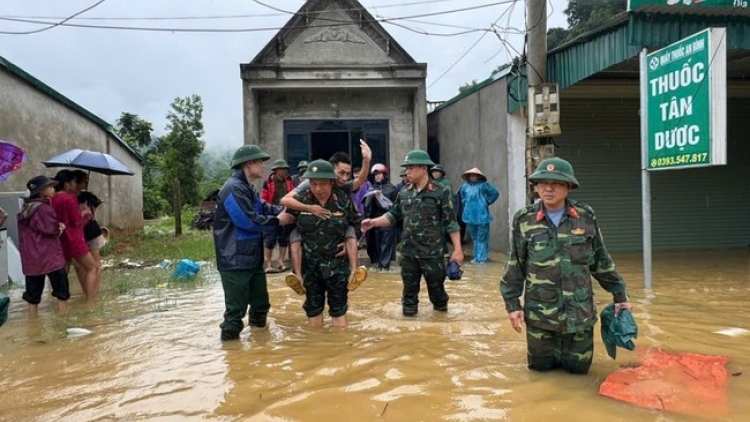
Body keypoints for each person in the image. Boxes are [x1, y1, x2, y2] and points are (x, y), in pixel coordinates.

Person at [500, 157, 633, 374]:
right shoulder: (524, 220)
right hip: (540, 318)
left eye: (557, 183)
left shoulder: (585, 217)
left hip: (579, 317)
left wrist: (620, 296)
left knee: (579, 374)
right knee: (539, 375)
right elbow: (515, 265)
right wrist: (513, 306)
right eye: (542, 182)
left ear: (569, 186)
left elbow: (601, 261)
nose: (548, 188)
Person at [361, 150, 463, 317]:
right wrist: (373, 222)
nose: (407, 171)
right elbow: (393, 216)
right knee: (408, 297)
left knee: (438, 296)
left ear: (423, 168)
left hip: (433, 254)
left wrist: (457, 250)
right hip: (408, 253)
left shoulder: (440, 191)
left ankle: (441, 329)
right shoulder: (404, 193)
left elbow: (451, 222)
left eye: (410, 168)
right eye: (406, 168)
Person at [213, 144, 294, 341]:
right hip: (235, 260)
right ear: (249, 164)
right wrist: (278, 221)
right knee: (235, 313)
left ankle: (259, 349)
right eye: (260, 162)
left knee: (260, 306)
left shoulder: (247, 189)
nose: (264, 167)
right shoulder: (232, 189)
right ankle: (232, 357)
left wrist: (286, 210)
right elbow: (247, 221)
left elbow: (264, 208)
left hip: (251, 258)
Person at [280, 140, 372, 294]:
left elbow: (360, 180)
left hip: (334, 237)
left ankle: (354, 271)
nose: (344, 177)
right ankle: (297, 276)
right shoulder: (311, 183)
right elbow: (285, 200)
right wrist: (309, 208)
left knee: (350, 231)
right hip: (306, 228)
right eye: (341, 173)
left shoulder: (342, 189)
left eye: (348, 174)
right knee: (294, 235)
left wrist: (366, 160)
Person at [285, 160, 362, 328]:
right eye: (314, 184)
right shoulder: (302, 199)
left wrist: (353, 245)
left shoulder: (343, 200)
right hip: (310, 267)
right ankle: (316, 349)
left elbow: (356, 223)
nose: (318, 189)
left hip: (337, 266)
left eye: (323, 184)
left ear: (331, 182)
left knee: (339, 310)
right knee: (313, 311)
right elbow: (286, 215)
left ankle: (354, 272)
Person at [18, 175, 70, 315]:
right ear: (41, 191)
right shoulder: (43, 208)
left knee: (32, 297)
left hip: (32, 259)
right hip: (50, 256)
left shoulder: (25, 208)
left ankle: (33, 323)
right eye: (50, 187)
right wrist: (61, 228)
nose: (53, 189)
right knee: (62, 292)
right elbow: (52, 230)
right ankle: (63, 321)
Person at [51, 170, 99, 302]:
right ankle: (91, 302)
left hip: (61, 241)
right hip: (74, 240)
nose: (75, 185)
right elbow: (77, 221)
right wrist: (83, 212)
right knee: (93, 267)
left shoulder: (52, 199)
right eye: (73, 182)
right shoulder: (70, 199)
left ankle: (61, 301)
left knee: (63, 272)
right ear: (67, 184)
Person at [71, 170, 105, 296]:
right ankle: (89, 293)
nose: (87, 182)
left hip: (91, 232)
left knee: (94, 265)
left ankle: (93, 294)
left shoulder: (87, 196)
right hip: (78, 235)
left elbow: (98, 206)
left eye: (87, 180)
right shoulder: (69, 198)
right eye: (84, 180)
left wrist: (92, 211)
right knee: (81, 267)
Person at [458, 168, 499, 264]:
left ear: (478, 176)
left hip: (481, 215)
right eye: (470, 175)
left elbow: (495, 193)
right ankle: (476, 257)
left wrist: (487, 202)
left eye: (474, 175)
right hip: (469, 215)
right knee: (475, 238)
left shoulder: (484, 185)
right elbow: (462, 196)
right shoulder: (465, 186)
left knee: (482, 237)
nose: (472, 177)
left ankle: (482, 258)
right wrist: (465, 202)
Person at [362, 163, 398, 271]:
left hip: (387, 220)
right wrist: (373, 195)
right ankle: (378, 265)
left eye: (379, 174)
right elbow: (365, 204)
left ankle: (385, 266)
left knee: (386, 244)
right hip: (375, 220)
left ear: (384, 175)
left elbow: (395, 205)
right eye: (375, 174)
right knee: (376, 243)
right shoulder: (371, 188)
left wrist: (381, 197)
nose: (377, 176)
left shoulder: (391, 188)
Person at [261, 159, 295, 273]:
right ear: (276, 170)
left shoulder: (289, 180)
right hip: (272, 212)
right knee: (270, 239)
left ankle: (281, 262)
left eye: (285, 169)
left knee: (283, 238)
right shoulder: (268, 182)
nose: (284, 171)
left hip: (285, 210)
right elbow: (264, 199)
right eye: (282, 169)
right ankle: (269, 264)